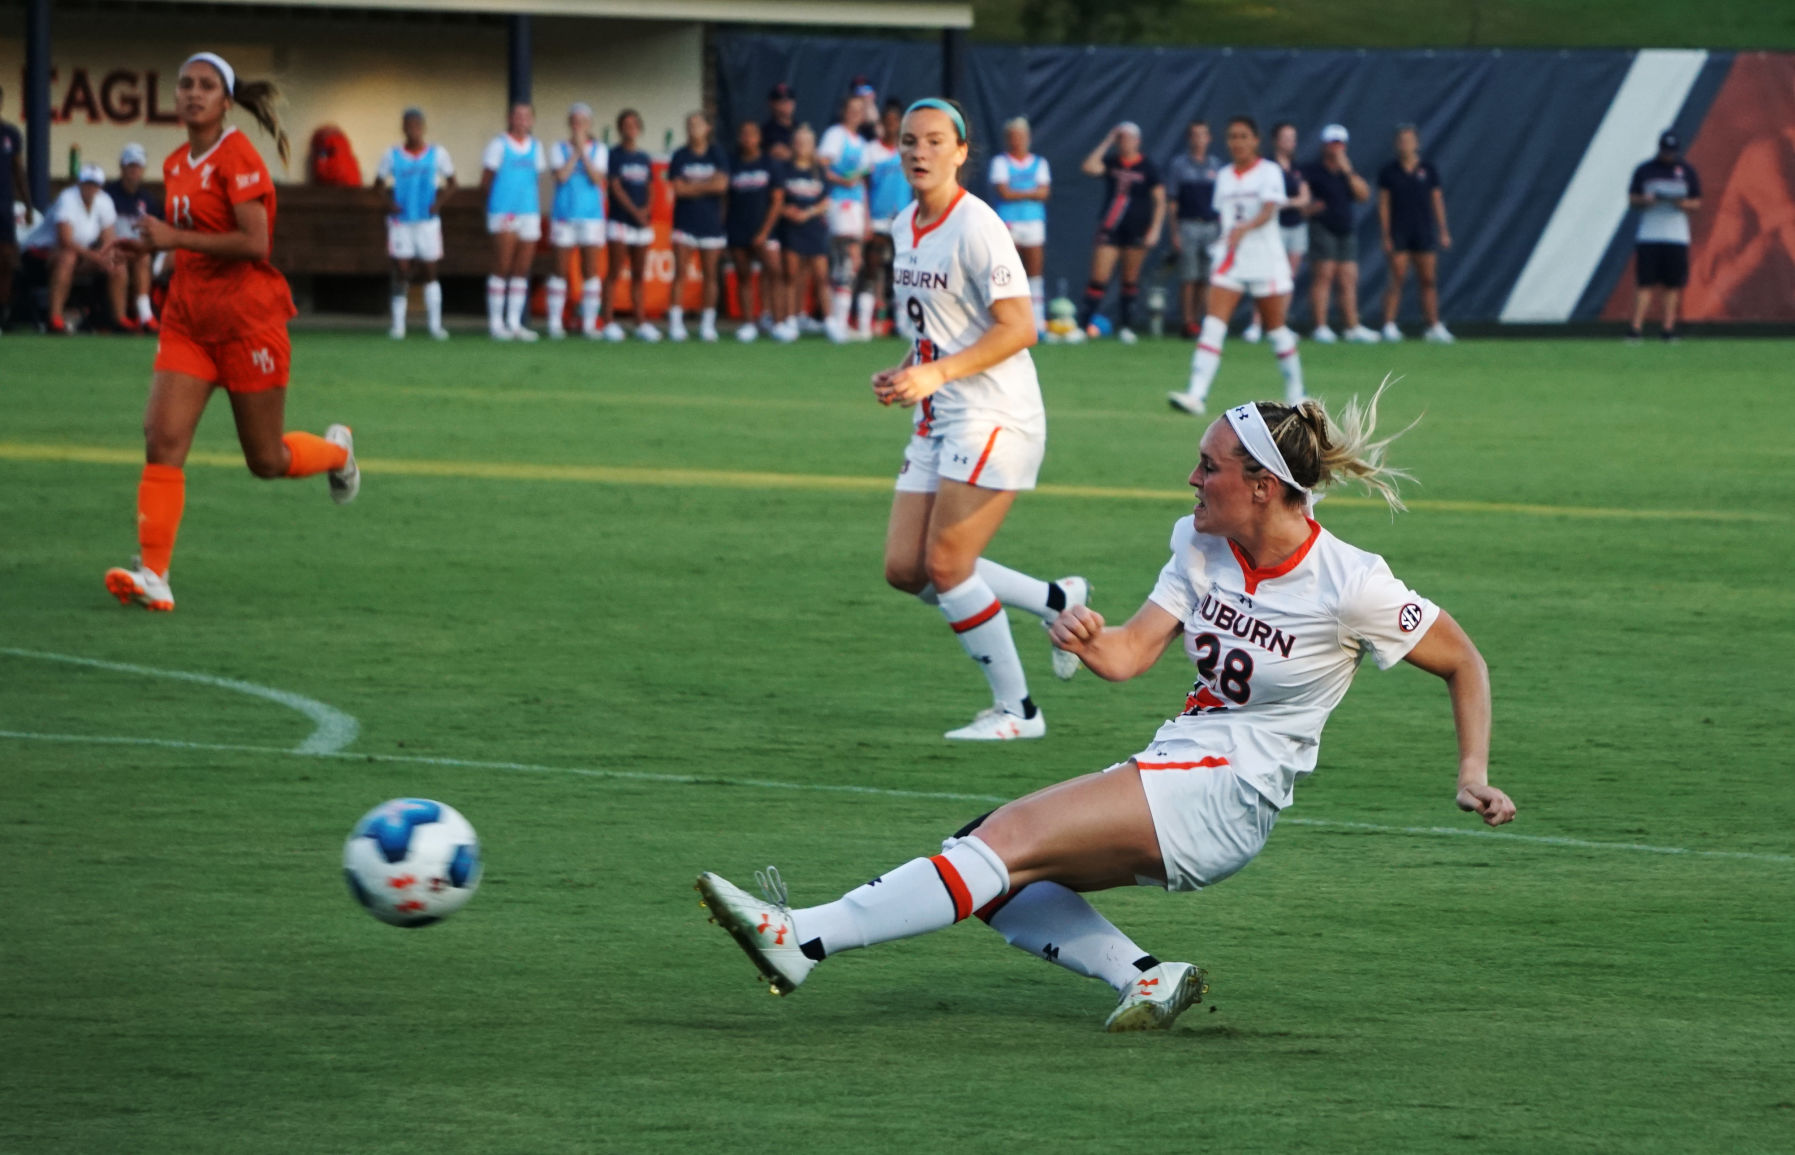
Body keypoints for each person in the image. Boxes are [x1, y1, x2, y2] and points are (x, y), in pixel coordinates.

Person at [697, 384, 1516, 1031]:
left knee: (1003, 841)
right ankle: (1145, 977)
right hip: (1184, 761)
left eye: (1209, 466)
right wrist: (1089, 638)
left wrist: (1470, 772)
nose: (1192, 479)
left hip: (1229, 788)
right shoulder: (1197, 540)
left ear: (1261, 487)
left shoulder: (1351, 582)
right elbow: (1131, 655)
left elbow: (1464, 660)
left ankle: (800, 936)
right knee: (992, 862)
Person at [98, 52, 357, 613]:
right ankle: (155, 576)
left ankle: (336, 453)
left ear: (226, 101)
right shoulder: (173, 164)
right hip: (190, 320)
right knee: (161, 439)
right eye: (185, 83)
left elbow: (254, 244)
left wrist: (172, 239)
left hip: (247, 324)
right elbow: (183, 233)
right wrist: (147, 244)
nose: (192, 93)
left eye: (206, 86)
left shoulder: (237, 156)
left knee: (267, 460)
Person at [870, 97, 1087, 741]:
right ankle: (1057, 603)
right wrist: (908, 368)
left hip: (995, 414)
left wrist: (935, 373)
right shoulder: (902, 225)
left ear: (962, 153)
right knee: (905, 570)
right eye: (909, 140)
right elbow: (934, 330)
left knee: (948, 565)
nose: (919, 151)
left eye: (936, 141)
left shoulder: (979, 226)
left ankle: (1019, 712)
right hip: (938, 416)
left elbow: (1020, 329)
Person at [1166, 117, 1305, 416]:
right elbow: (1224, 217)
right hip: (1231, 260)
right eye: (1232, 137)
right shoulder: (1225, 175)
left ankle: (1297, 395)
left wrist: (1246, 227)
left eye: (1243, 136)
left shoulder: (1269, 172)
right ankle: (1196, 395)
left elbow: (1269, 210)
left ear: (1255, 140)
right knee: (1213, 326)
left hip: (1265, 259)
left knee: (1276, 329)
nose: (1237, 142)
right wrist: (1227, 237)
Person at [1077, 122, 1164, 343]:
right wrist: (1108, 140)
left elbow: (1160, 200)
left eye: (1128, 138)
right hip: (1111, 227)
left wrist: (1154, 230)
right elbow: (1088, 167)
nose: (1124, 143)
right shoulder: (1113, 162)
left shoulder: (1147, 167)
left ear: (1137, 141)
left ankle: (1126, 326)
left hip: (1136, 229)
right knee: (1098, 278)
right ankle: (1083, 325)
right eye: (1121, 139)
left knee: (1130, 280)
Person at [376, 108, 455, 341]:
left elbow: (453, 183)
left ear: (423, 127)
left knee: (430, 270)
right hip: (401, 221)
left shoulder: (437, 154)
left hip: (427, 221)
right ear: (403, 128)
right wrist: (390, 204)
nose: (413, 129)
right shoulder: (392, 155)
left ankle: (435, 325)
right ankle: (398, 326)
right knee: (401, 269)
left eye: (417, 125)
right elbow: (377, 184)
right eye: (408, 125)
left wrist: (438, 203)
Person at [25, 165, 125, 333]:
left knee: (116, 262)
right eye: (87, 183)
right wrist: (96, 257)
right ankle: (55, 318)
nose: (90, 188)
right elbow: (64, 240)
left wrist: (106, 256)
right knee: (67, 257)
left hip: (79, 255)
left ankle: (120, 319)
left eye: (94, 184)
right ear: (79, 183)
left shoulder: (104, 201)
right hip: (38, 253)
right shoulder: (67, 198)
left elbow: (109, 238)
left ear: (100, 187)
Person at [1301, 124, 1378, 344]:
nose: (1337, 148)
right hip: (1322, 228)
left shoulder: (1347, 172)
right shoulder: (1312, 170)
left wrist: (1348, 170)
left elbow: (1363, 195)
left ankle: (1352, 327)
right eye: (1333, 143)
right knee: (1323, 276)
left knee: (1348, 279)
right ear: (1325, 145)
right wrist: (1311, 208)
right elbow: (1303, 201)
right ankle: (1320, 327)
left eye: (1340, 144)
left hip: (1345, 229)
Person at [1377, 124, 1452, 344]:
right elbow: (1383, 204)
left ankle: (1433, 325)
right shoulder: (1388, 172)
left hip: (1423, 230)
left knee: (1428, 279)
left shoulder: (1428, 170)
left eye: (1409, 140)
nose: (1405, 145)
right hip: (1399, 231)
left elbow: (1436, 200)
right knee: (1397, 278)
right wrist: (1386, 235)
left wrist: (1443, 230)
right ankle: (1388, 325)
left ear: (1416, 144)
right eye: (1401, 140)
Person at [480, 102, 546, 341]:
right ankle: (496, 323)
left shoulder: (536, 147)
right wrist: (493, 208)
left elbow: (535, 180)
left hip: (528, 211)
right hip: (503, 211)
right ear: (510, 118)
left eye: (526, 116)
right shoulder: (498, 145)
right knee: (502, 266)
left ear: (532, 120)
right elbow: (486, 180)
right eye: (517, 116)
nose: (522, 120)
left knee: (522, 269)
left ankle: (515, 322)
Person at [1627, 130, 1702, 343]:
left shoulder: (1686, 171)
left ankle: (1668, 329)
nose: (1668, 156)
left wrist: (1681, 204)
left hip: (1676, 235)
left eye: (1671, 152)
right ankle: (1635, 329)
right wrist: (1646, 201)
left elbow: (1697, 202)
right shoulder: (1645, 170)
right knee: (1645, 283)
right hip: (1650, 234)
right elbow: (1632, 199)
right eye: (1665, 152)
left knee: (1672, 284)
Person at [545, 103, 607, 340]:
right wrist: (576, 152)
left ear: (589, 123)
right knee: (559, 269)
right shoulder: (558, 148)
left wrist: (585, 152)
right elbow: (560, 176)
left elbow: (596, 178)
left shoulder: (600, 149)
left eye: (583, 120)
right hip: (564, 215)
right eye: (574, 120)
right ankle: (554, 323)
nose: (578, 124)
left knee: (590, 271)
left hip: (591, 216)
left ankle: (590, 324)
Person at [1244, 122, 1310, 344]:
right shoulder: (1268, 167)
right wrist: (1287, 202)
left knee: (1286, 279)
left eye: (1293, 138)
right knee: (1265, 276)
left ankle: (1278, 325)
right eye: (1286, 138)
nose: (1290, 142)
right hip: (1273, 228)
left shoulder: (1297, 168)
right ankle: (1255, 324)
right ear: (1275, 141)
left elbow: (1304, 198)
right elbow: (1270, 201)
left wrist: (1287, 202)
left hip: (1296, 227)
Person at [666, 112, 730, 344]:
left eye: (697, 124)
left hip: (711, 223)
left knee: (711, 275)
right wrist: (707, 184)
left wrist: (693, 185)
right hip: (685, 222)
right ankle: (675, 323)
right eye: (689, 124)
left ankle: (707, 324)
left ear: (707, 128)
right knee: (680, 273)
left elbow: (722, 185)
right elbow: (678, 189)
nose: (693, 128)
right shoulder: (680, 155)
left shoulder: (717, 153)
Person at [987, 116, 1051, 335]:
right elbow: (1003, 192)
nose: (1017, 141)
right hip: (1008, 222)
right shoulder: (1000, 163)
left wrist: (1019, 193)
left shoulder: (1040, 163)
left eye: (1021, 136)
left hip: (1033, 222)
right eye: (1013, 137)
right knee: (1008, 273)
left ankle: (1038, 323)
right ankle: (1008, 322)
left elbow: (1044, 193)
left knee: (1034, 274)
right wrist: (1030, 192)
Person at [818, 94, 873, 342]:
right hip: (839, 204)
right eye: (851, 109)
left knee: (854, 262)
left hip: (857, 207)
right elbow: (822, 164)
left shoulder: (861, 141)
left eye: (859, 110)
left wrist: (867, 218)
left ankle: (841, 321)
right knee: (845, 260)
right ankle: (837, 324)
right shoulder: (835, 135)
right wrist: (842, 180)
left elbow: (861, 182)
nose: (855, 114)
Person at [603, 109, 659, 342]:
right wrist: (635, 211)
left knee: (638, 274)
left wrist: (646, 210)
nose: (631, 128)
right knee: (614, 272)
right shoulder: (614, 155)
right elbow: (615, 187)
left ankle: (640, 322)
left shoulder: (644, 158)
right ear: (620, 128)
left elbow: (651, 187)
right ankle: (607, 321)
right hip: (620, 221)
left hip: (641, 223)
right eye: (626, 124)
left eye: (634, 124)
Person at [726, 119, 784, 343]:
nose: (747, 138)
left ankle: (777, 322)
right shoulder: (733, 164)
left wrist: (764, 231)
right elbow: (726, 199)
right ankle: (749, 323)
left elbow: (777, 200)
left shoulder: (770, 163)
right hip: (738, 227)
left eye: (752, 134)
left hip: (765, 230)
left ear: (759, 138)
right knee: (743, 276)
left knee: (774, 273)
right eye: (744, 134)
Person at [861, 99, 913, 338]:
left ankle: (902, 323)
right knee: (872, 268)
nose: (892, 126)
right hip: (877, 218)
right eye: (888, 121)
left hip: (903, 219)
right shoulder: (871, 151)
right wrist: (865, 219)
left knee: (901, 272)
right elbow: (863, 186)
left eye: (896, 122)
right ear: (882, 123)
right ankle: (867, 323)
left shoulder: (909, 150)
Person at [773, 124, 828, 343]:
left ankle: (831, 321)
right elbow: (777, 198)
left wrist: (809, 212)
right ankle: (790, 319)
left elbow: (826, 200)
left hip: (813, 227)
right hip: (791, 229)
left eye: (806, 142)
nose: (802, 146)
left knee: (821, 275)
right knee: (792, 275)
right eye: (798, 142)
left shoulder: (818, 170)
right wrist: (788, 211)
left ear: (813, 145)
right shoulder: (784, 169)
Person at [1167, 120, 1222, 339]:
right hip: (1188, 225)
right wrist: (1174, 232)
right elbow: (1172, 202)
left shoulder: (1216, 165)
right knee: (1189, 277)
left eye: (1203, 135)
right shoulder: (1179, 165)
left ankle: (1205, 322)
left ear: (1209, 138)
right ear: (1189, 139)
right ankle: (1187, 322)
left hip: (1211, 226)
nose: (1199, 139)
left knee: (1207, 278)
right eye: (1195, 135)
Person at [105, 144, 164, 333]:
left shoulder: (148, 199)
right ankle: (120, 319)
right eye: (130, 166)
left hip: (139, 250)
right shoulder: (108, 194)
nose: (133, 171)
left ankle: (145, 315)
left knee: (143, 257)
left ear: (143, 170)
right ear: (122, 167)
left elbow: (160, 228)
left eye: (137, 167)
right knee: (119, 264)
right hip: (112, 247)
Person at [0, 84, 23, 330]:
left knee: (7, 260)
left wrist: (26, 204)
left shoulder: (10, 134)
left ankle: (3, 312)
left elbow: (18, 170)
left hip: (4, 206)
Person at [761, 82, 798, 164]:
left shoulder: (799, 128)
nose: (787, 104)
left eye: (789, 100)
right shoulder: (766, 131)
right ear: (772, 104)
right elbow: (778, 152)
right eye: (781, 101)